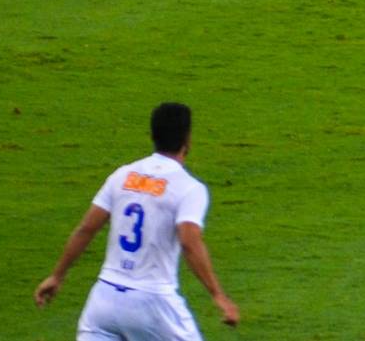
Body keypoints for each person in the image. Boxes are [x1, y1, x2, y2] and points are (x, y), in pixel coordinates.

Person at [34, 103, 239, 339]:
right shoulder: (189, 188)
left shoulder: (122, 175)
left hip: (104, 300)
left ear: (152, 136)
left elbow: (86, 229)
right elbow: (189, 242)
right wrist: (217, 295)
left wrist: (57, 275)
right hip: (153, 303)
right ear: (188, 139)